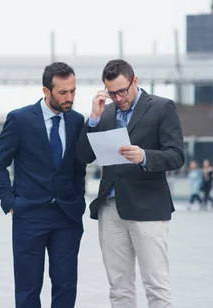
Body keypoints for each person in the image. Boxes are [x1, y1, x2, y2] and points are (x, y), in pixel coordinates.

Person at [76, 59, 185, 308]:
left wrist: (145, 156)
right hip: (110, 208)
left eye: (122, 91)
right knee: (119, 287)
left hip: (148, 208)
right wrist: (93, 119)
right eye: (111, 92)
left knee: (156, 285)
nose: (118, 98)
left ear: (134, 81)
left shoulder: (161, 107)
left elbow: (177, 156)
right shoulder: (106, 112)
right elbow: (83, 156)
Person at [0, 62, 87, 308]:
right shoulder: (20, 119)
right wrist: (11, 202)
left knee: (66, 286)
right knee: (28, 288)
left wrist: (79, 199)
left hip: (67, 217)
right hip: (29, 216)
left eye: (73, 91)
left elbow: (78, 167)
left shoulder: (76, 120)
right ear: (46, 91)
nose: (69, 98)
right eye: (63, 92)